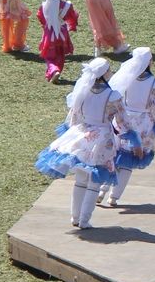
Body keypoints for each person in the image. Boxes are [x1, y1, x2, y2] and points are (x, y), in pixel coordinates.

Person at [35, 58, 125, 231]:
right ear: (104, 73)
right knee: (95, 182)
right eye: (109, 70)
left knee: (80, 179)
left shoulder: (82, 91)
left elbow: (74, 117)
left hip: (80, 136)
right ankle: (84, 220)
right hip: (102, 138)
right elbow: (122, 120)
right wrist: (131, 138)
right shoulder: (113, 95)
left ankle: (75, 217)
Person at [98, 48, 155, 208]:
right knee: (128, 162)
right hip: (143, 124)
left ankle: (102, 189)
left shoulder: (126, 77)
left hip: (123, 120)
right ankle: (114, 197)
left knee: (115, 157)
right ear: (149, 62)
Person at [37, 0, 78, 83]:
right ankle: (56, 71)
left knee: (49, 56)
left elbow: (41, 17)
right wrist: (72, 26)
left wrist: (45, 25)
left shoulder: (44, 6)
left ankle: (54, 70)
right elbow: (72, 16)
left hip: (49, 33)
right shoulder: (66, 5)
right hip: (62, 33)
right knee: (60, 54)